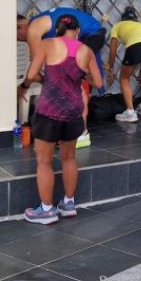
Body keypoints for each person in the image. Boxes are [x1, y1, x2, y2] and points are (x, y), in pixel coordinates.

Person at [22, 14, 102, 224]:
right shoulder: (86, 50)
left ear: (57, 30)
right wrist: (80, 74)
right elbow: (98, 82)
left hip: (49, 110)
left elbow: (31, 74)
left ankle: (47, 210)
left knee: (44, 161)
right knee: (69, 158)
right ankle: (68, 204)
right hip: (74, 111)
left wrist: (43, 79)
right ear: (77, 31)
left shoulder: (47, 44)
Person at [27, 7, 106, 148]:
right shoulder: (46, 28)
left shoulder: (37, 32)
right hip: (93, 33)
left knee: (76, 85)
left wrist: (40, 81)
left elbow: (34, 70)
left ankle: (82, 132)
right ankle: (76, 131)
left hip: (92, 34)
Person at [106, 6, 141, 122]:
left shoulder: (118, 25)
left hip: (135, 46)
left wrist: (111, 68)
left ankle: (130, 112)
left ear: (122, 18)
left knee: (124, 78)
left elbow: (113, 49)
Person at [17, 14, 41, 126]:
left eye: (17, 35)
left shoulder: (39, 39)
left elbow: (35, 75)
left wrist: (23, 87)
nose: (17, 38)